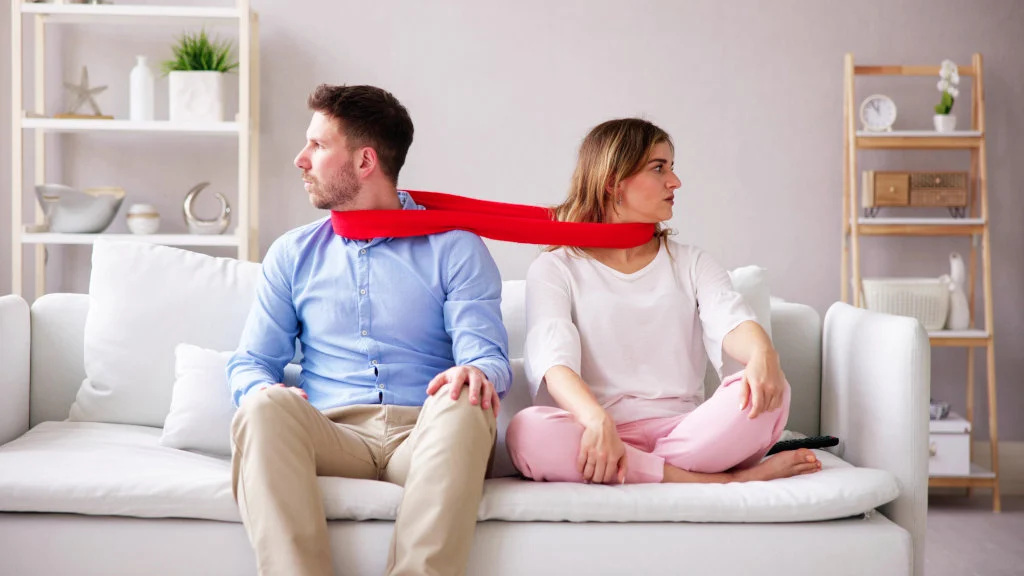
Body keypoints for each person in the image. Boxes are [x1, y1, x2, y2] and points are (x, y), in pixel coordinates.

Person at [227, 84, 512, 576]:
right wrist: (263, 388)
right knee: (260, 405)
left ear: (364, 162)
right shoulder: (293, 254)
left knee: (467, 401)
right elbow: (251, 362)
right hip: (331, 432)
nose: (300, 159)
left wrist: (477, 371)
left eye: (317, 146)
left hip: (424, 433)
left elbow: (487, 357)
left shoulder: (455, 247)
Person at [505, 118, 821, 486]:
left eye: (672, 168)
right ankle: (722, 480)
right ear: (613, 182)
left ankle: (640, 471)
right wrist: (596, 420)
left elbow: (730, 319)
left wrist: (764, 355)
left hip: (688, 433)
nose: (675, 182)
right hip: (598, 432)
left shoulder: (691, 261)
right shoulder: (556, 266)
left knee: (772, 390)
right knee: (527, 431)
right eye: (659, 168)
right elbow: (552, 360)